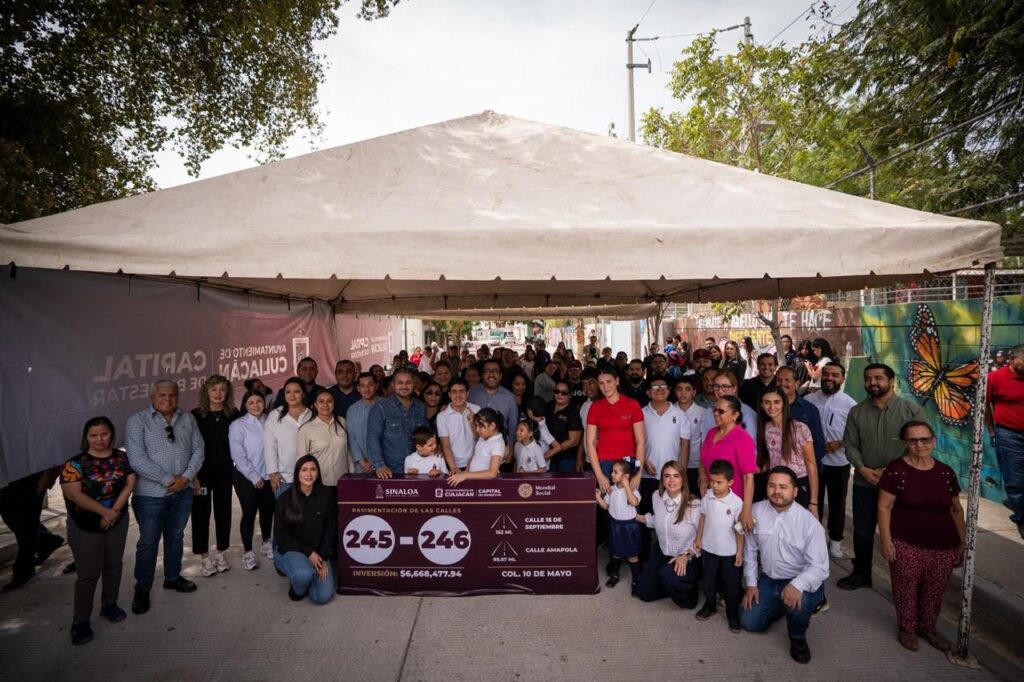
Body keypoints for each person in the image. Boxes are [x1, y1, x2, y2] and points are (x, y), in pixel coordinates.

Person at [878, 421, 965, 653]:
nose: (920, 444)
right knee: (906, 587)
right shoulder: (896, 470)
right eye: (913, 440)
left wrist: (962, 543)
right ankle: (907, 628)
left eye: (925, 439)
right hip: (907, 541)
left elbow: (956, 509)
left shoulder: (946, 472)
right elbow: (884, 507)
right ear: (905, 443)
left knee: (934, 590)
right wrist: (886, 541)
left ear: (933, 441)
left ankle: (928, 628)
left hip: (943, 543)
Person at [838, 363, 925, 591]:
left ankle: (905, 581)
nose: (872, 383)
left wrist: (892, 471)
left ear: (891, 381)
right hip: (864, 481)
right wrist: (862, 468)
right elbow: (850, 444)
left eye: (878, 378)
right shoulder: (857, 412)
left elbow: (918, 444)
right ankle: (861, 574)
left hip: (900, 485)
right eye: (868, 379)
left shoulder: (911, 412)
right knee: (862, 531)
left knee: (902, 534)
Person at [125, 380, 204, 615]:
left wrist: (187, 477)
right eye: (162, 395)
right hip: (151, 495)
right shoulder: (137, 422)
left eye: (172, 395)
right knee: (148, 542)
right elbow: (137, 460)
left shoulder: (187, 419)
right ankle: (142, 588)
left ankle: (172, 577)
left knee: (175, 536)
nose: (167, 399)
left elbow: (199, 449)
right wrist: (170, 480)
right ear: (152, 397)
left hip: (183, 492)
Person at [740, 466, 829, 664]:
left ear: (795, 491)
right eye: (772, 486)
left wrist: (797, 585)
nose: (777, 491)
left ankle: (798, 639)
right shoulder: (755, 511)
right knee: (749, 622)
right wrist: (752, 584)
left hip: (799, 580)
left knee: (798, 606)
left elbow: (820, 567)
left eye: (783, 486)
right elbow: (750, 550)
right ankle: (781, 603)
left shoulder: (809, 523)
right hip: (769, 580)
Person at [60, 417, 136, 645]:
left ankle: (109, 604)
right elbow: (74, 494)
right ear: (86, 437)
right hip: (85, 525)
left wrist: (113, 511)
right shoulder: (75, 464)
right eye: (94, 435)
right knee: (88, 573)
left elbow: (130, 484)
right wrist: (104, 513)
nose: (99, 439)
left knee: (114, 564)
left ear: (111, 434)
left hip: (116, 520)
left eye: (104, 434)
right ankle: (80, 620)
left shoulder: (122, 458)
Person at [805, 362, 858, 558]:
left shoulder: (850, 404)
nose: (829, 378)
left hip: (838, 462)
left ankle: (835, 541)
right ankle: (814, 540)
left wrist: (840, 443)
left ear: (842, 379)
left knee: (837, 504)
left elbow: (856, 433)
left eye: (835, 375)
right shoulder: (809, 400)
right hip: (813, 462)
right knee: (813, 501)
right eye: (826, 374)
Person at [635, 461, 702, 608]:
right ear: (662, 480)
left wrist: (687, 555)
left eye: (676, 476)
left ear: (683, 479)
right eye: (667, 476)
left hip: (686, 556)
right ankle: (669, 582)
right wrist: (636, 516)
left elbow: (702, 537)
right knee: (643, 592)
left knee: (668, 575)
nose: (671, 480)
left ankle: (689, 594)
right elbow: (658, 521)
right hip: (662, 552)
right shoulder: (656, 497)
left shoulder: (694, 504)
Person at [190, 375, 237, 578]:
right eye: (213, 389)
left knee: (223, 512)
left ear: (227, 393)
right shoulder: (195, 416)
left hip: (224, 472)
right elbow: (188, 447)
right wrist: (192, 476)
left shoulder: (233, 414)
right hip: (201, 474)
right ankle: (204, 557)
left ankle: (220, 553)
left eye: (222, 390)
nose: (218, 393)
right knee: (201, 514)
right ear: (206, 392)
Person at [273, 455, 336, 605]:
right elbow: (281, 536)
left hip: (317, 551)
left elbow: (330, 529)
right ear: (297, 473)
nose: (309, 474)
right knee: (303, 574)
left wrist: (323, 558)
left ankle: (306, 578)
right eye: (304, 470)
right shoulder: (285, 499)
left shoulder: (326, 494)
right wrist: (309, 553)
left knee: (323, 597)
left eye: (313, 470)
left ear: (318, 473)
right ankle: (297, 589)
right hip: (292, 550)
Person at [639, 378, 687, 562]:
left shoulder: (679, 414)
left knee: (672, 519)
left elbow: (685, 444)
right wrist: (643, 460)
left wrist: (680, 472)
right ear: (648, 393)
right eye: (655, 387)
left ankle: (672, 557)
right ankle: (645, 559)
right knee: (646, 518)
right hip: (647, 475)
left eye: (664, 387)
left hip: (672, 479)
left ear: (669, 392)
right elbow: (637, 441)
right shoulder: (641, 413)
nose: (660, 390)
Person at [694, 459, 744, 633]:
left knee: (732, 585)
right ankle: (710, 604)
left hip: (729, 552)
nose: (714, 486)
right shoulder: (707, 496)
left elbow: (740, 529)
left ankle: (732, 613)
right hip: (709, 548)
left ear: (730, 482)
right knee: (708, 580)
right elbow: (702, 517)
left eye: (719, 482)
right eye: (712, 481)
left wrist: (739, 551)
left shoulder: (736, 503)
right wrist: (698, 538)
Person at [229, 389, 275, 571]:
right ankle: (248, 552)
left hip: (268, 475)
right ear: (245, 405)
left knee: (267, 511)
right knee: (249, 513)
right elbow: (238, 454)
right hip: (245, 477)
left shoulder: (269, 421)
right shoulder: (238, 425)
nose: (256, 405)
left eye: (259, 401)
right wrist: (254, 476)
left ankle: (266, 542)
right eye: (251, 403)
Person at [0, 465, 64, 592]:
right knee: (8, 512)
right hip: (8, 471)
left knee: (26, 517)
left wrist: (50, 473)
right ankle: (46, 540)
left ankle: (24, 568)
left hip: (32, 472)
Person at [700, 395, 757, 533]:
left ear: (735, 415)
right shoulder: (711, 433)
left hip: (732, 501)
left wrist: (746, 510)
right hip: (711, 496)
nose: (715, 413)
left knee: (730, 542)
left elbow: (748, 477)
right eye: (715, 410)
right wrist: (703, 479)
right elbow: (702, 459)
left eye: (721, 411)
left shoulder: (743, 439)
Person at [585, 368, 646, 494]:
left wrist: (638, 473)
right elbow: (590, 443)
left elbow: (640, 441)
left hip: (628, 463)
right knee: (606, 507)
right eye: (601, 383)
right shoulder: (595, 407)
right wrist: (599, 474)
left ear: (617, 381)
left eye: (609, 382)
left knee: (630, 507)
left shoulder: (632, 405)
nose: (605, 387)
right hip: (604, 464)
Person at [986, 343, 1024, 539]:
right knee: (1015, 479)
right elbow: (984, 405)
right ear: (1012, 359)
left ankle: (1016, 504)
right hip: (1009, 435)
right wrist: (992, 430)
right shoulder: (995, 378)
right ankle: (1021, 519)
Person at [756, 388, 818, 510]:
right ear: (761, 405)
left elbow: (811, 464)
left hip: (798, 483)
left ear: (784, 403)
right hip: (775, 483)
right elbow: (770, 460)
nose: (772, 407)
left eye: (776, 402)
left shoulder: (800, 428)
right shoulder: (765, 428)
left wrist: (814, 502)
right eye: (767, 402)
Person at [367, 367, 428, 478]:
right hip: (391, 470)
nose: (404, 386)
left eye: (408, 382)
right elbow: (373, 438)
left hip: (418, 469)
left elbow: (427, 437)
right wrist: (380, 465)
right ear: (393, 385)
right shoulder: (381, 407)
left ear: (413, 384)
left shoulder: (420, 407)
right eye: (400, 383)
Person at [595, 459, 642, 593]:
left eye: (616, 472)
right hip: (615, 525)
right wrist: (598, 497)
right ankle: (615, 575)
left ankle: (635, 580)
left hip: (629, 526)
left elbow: (633, 502)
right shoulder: (612, 490)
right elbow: (605, 506)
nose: (612, 474)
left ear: (626, 476)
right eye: (612, 472)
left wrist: (627, 486)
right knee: (615, 552)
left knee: (632, 554)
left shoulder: (633, 490)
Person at [264, 377, 313, 499]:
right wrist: (273, 473)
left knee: (309, 515)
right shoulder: (275, 415)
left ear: (303, 394)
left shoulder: (312, 414)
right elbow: (270, 446)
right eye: (288, 392)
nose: (292, 395)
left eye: (296, 391)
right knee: (285, 516)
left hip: (310, 475)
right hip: (284, 477)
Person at [297, 390, 349, 491]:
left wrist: (351, 475)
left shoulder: (342, 422)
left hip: (343, 480)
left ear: (334, 404)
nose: (325, 404)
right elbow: (303, 460)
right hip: (319, 483)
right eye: (321, 401)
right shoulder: (306, 429)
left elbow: (348, 452)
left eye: (329, 401)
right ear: (315, 405)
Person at [468, 360, 519, 456]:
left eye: (495, 371)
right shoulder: (471, 393)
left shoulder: (509, 397)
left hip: (499, 453)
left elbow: (513, 426)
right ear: (482, 375)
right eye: (487, 371)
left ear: (500, 375)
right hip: (473, 451)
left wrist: (511, 449)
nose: (491, 374)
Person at [447, 408, 504, 485]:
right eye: (476, 426)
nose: (477, 429)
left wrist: (465, 475)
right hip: (474, 483)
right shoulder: (483, 437)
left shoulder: (497, 443)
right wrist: (465, 472)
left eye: (480, 427)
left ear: (492, 425)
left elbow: (492, 473)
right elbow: (475, 456)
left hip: (486, 487)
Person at [698, 371, 757, 445]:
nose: (720, 390)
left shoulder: (746, 412)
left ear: (734, 388)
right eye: (716, 386)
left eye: (725, 386)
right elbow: (705, 440)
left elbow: (750, 446)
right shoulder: (710, 410)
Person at [437, 379, 480, 473]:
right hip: (453, 464)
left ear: (467, 393)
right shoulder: (442, 416)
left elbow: (480, 438)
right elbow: (446, 445)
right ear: (449, 394)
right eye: (454, 392)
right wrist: (453, 468)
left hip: (476, 462)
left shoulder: (476, 410)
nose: (458, 395)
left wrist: (473, 423)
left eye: (461, 391)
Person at [674, 375, 707, 496]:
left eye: (687, 389)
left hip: (695, 464)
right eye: (679, 389)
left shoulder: (703, 412)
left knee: (694, 499)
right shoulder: (670, 410)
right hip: (674, 461)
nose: (683, 393)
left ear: (694, 392)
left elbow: (704, 441)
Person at [543, 381, 583, 473]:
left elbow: (574, 440)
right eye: (557, 391)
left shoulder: (573, 411)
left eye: (564, 393)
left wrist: (553, 451)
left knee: (564, 487)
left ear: (570, 395)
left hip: (566, 459)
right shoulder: (548, 406)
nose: (559, 394)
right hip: (546, 455)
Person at [345, 372, 379, 475]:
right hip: (361, 467)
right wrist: (362, 461)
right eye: (363, 386)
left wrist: (376, 462)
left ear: (376, 386)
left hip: (383, 465)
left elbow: (390, 439)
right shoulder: (352, 410)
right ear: (358, 388)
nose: (367, 389)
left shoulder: (386, 406)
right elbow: (352, 438)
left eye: (370, 384)